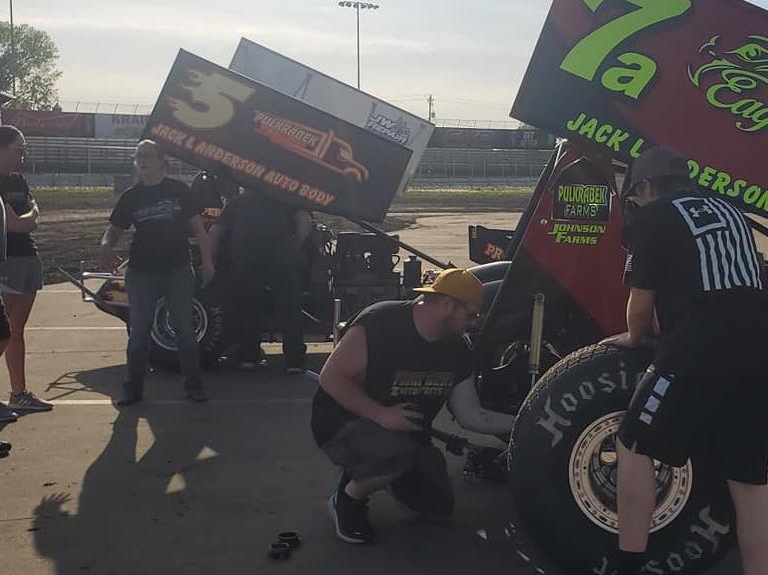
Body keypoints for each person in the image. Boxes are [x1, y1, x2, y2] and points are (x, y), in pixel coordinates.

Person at [602, 147, 768, 575]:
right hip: (763, 348)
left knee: (633, 444)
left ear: (645, 187)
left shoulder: (655, 216)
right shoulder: (731, 211)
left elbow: (641, 305)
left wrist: (633, 337)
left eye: (633, 197)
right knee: (749, 482)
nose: (634, 206)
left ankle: (629, 564)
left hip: (700, 348)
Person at [311, 268, 514, 544]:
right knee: (394, 454)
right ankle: (347, 499)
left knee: (438, 507)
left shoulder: (457, 350)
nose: (475, 322)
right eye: (471, 314)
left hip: (402, 434)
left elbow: (471, 415)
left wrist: (525, 422)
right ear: (446, 305)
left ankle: (371, 472)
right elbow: (331, 378)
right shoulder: (381, 323)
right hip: (341, 422)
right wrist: (380, 414)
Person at [99, 140, 215, 405]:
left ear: (162, 160)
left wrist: (207, 262)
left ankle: (193, 384)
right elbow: (114, 229)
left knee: (184, 330)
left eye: (148, 155)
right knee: (139, 331)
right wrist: (106, 245)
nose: (142, 160)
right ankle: (133, 388)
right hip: (141, 272)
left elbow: (199, 230)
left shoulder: (179, 191)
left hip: (177, 270)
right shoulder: (132, 196)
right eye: (139, 156)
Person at [211, 189, 310, 373]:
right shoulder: (287, 197)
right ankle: (294, 360)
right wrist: (294, 248)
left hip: (245, 255)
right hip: (280, 254)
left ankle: (248, 357)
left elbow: (215, 231)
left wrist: (210, 262)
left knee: (248, 307)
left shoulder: (238, 201)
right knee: (290, 307)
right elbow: (304, 223)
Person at [0, 126, 45, 415]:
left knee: (16, 332)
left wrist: (29, 217)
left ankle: (19, 392)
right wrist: (31, 216)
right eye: (19, 149)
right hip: (7, 261)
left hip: (28, 257)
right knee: (2, 333)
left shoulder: (18, 180)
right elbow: (15, 224)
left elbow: (30, 218)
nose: (23, 155)